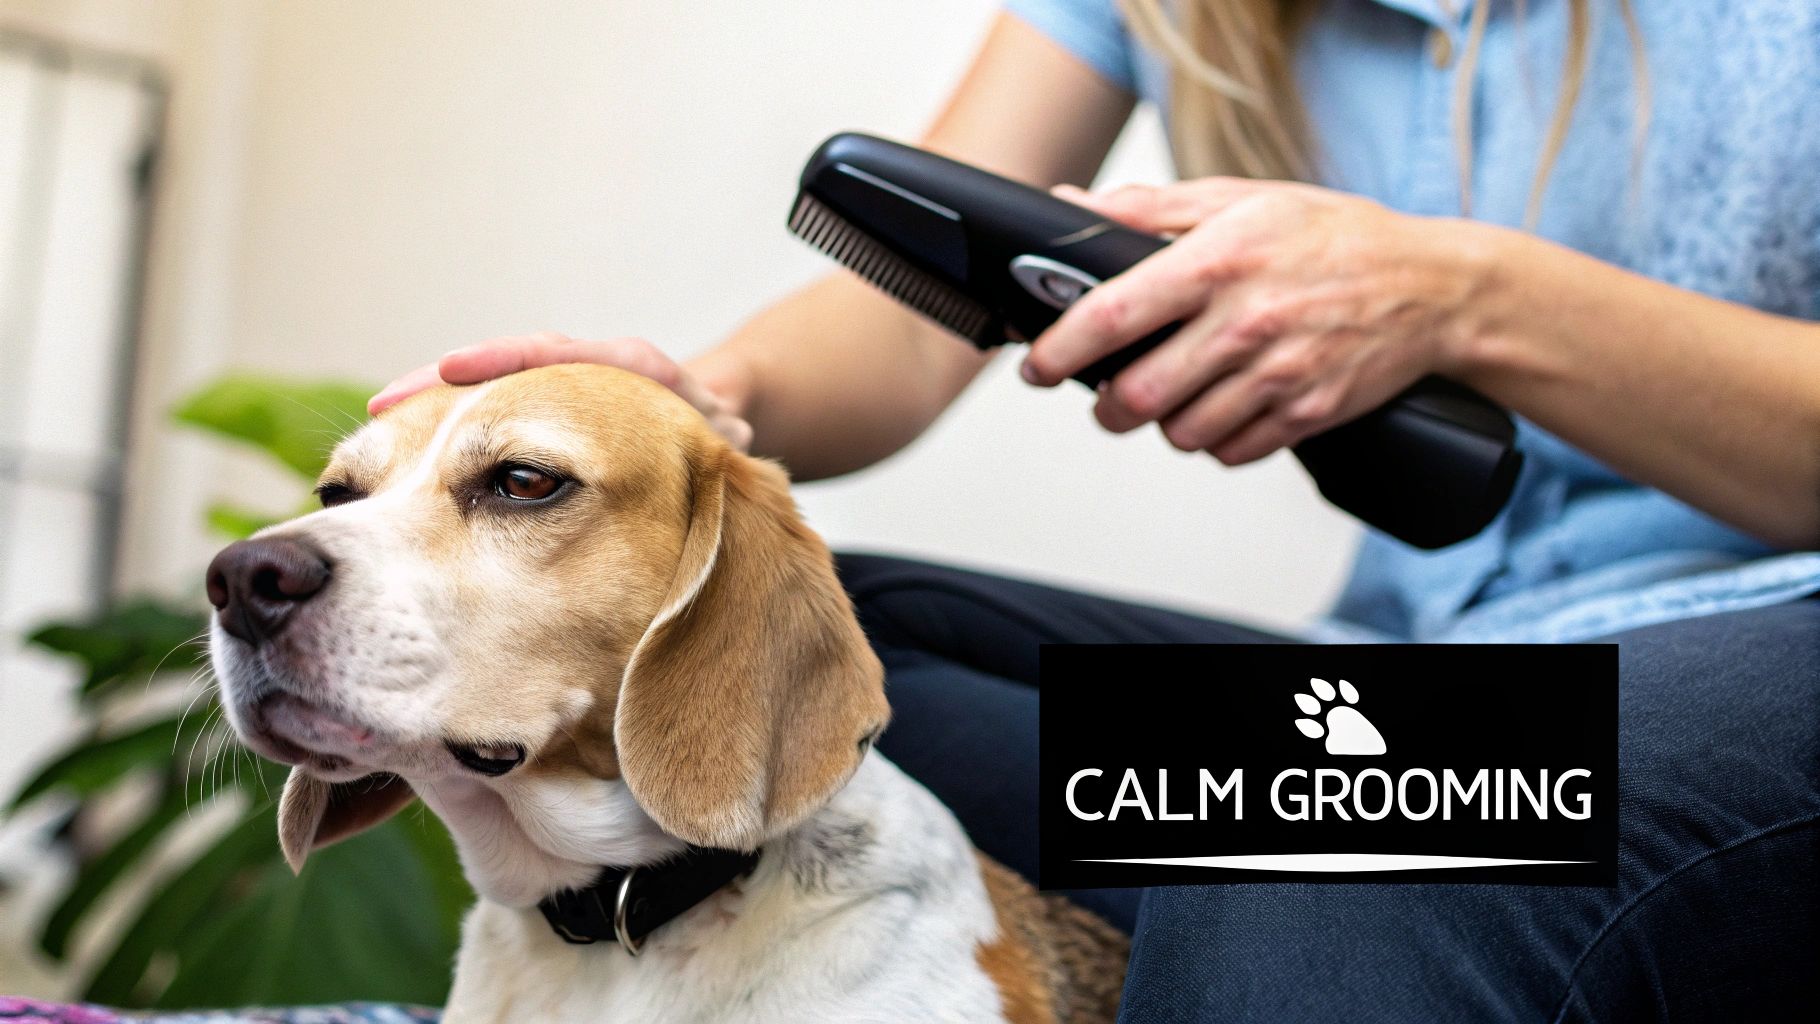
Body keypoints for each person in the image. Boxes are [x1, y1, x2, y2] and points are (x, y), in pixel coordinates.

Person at [371, 1, 1820, 1018]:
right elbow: (900, 327)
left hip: (1763, 639)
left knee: (1328, 843)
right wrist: (700, 395)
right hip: (1423, 685)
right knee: (799, 668)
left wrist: (1464, 295)